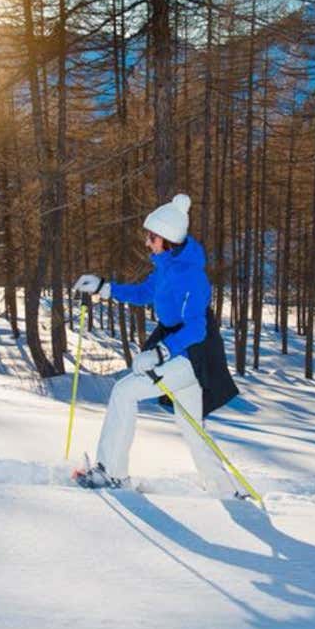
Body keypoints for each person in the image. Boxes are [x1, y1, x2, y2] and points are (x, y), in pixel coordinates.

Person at [71, 193, 239, 497]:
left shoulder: (191, 276)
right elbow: (143, 293)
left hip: (192, 353)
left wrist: (161, 351)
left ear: (167, 238)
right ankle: (226, 490)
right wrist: (103, 287)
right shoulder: (166, 266)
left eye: (151, 237)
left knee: (124, 392)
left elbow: (197, 327)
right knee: (190, 426)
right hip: (178, 348)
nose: (147, 242)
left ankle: (112, 474)